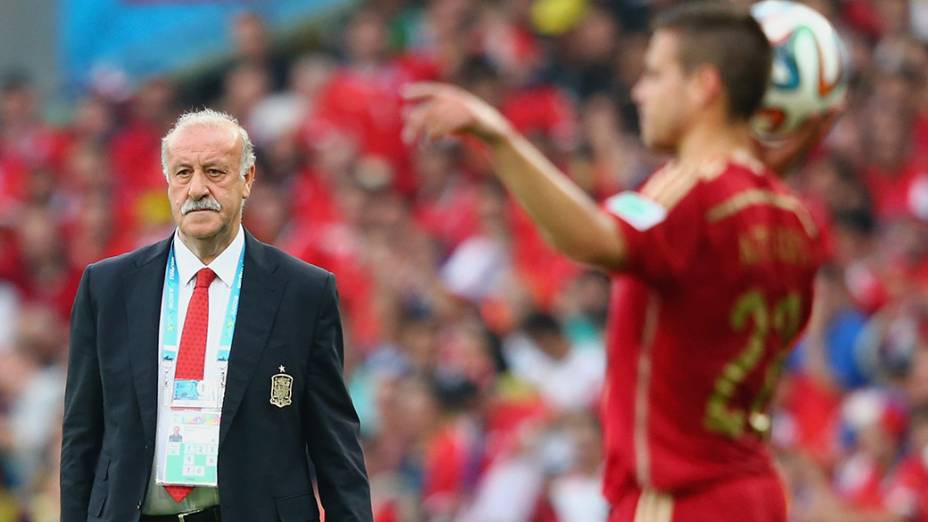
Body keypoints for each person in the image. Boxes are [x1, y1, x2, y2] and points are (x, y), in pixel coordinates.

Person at [403, 2, 835, 520]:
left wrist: (500, 139)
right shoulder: (795, 221)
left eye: (654, 74)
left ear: (704, 86)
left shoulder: (689, 193)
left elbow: (593, 240)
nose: (639, 91)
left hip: (677, 498)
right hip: (755, 493)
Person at [61, 109, 372, 522]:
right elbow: (82, 438)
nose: (197, 189)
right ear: (168, 181)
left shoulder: (304, 293)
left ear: (247, 180)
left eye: (214, 171)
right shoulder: (108, 287)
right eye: (183, 173)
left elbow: (335, 445)